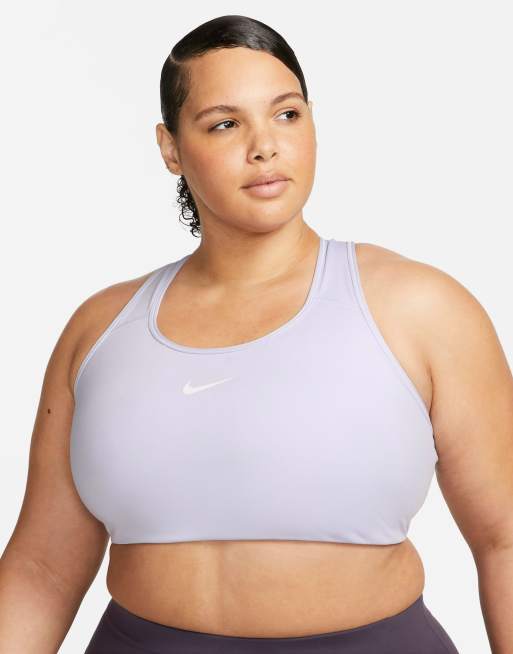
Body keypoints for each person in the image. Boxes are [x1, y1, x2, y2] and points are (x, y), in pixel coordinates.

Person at [1, 14, 512, 654]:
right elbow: (42, 569)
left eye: (287, 115)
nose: (265, 146)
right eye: (225, 123)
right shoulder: (100, 329)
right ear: (170, 148)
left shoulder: (422, 308)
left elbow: (504, 539)